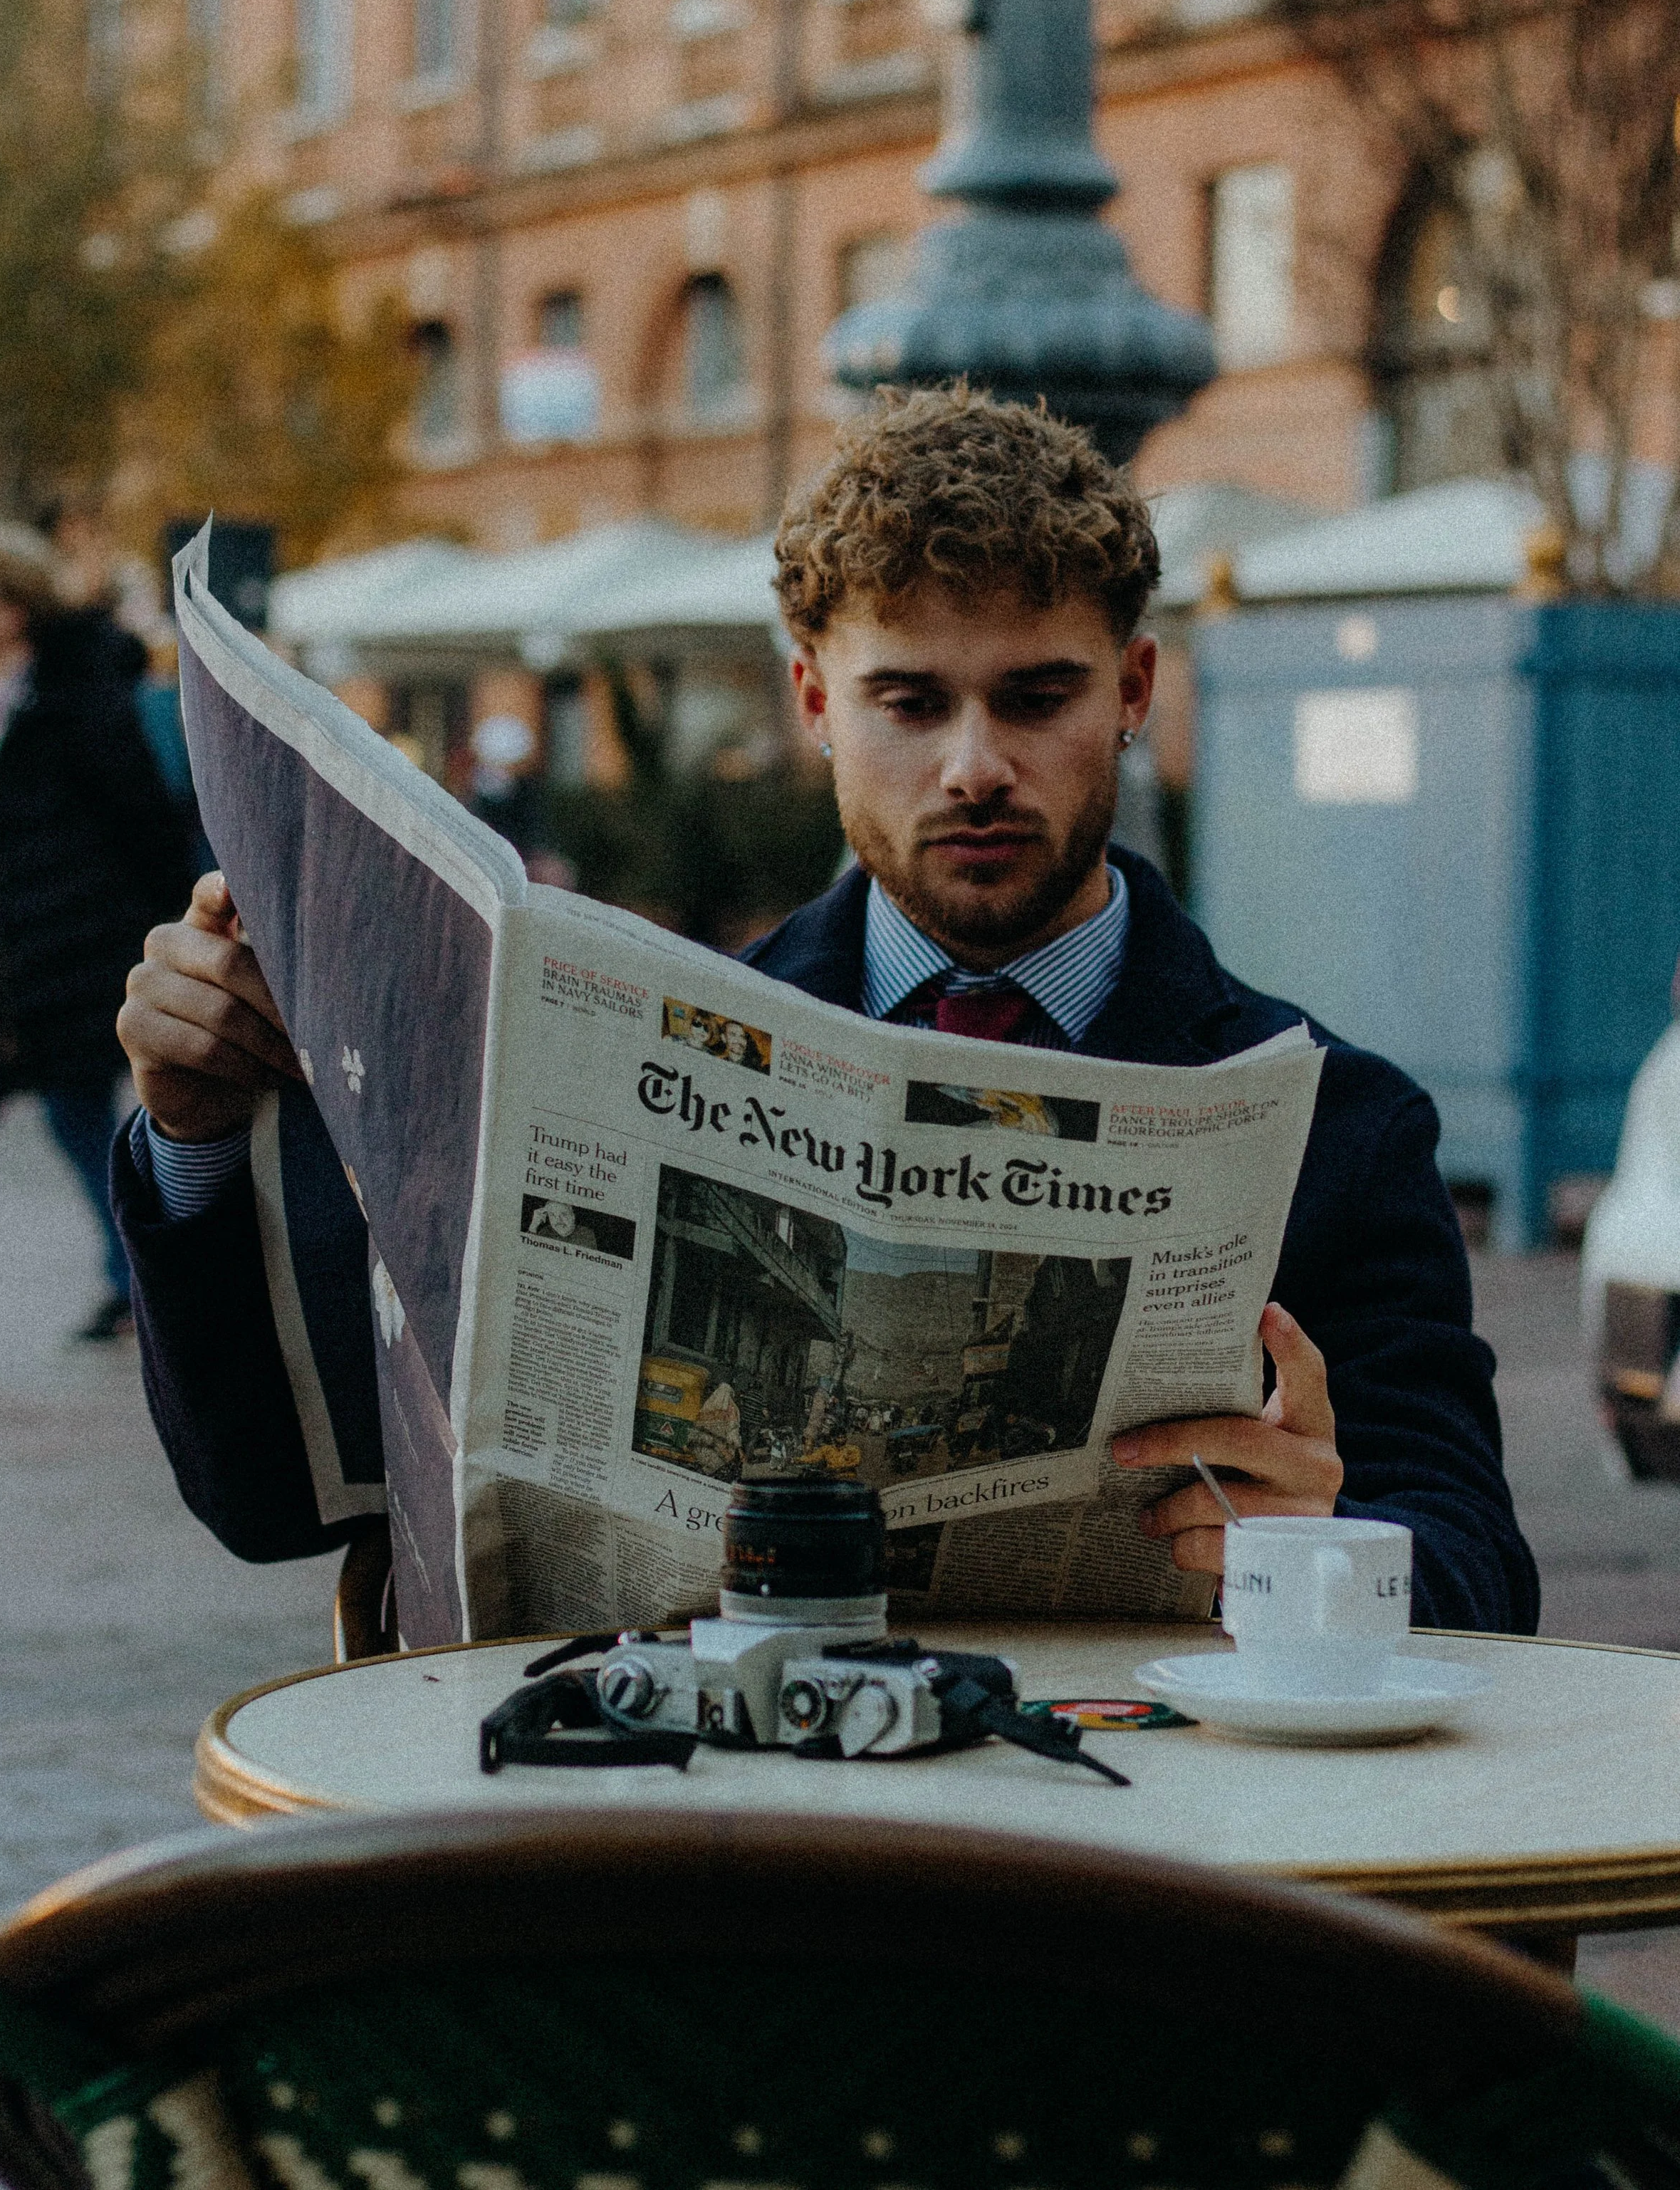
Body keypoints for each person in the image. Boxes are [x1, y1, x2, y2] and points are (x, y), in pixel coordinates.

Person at [113, 385, 1537, 1630]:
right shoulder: (613, 1061)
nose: (976, 765)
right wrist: (190, 1130)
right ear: (811, 699)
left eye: (1035, 696)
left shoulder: (1332, 1121)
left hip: (1138, 1883)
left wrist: (1331, 1544)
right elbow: (277, 1495)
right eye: (908, 703)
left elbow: (1479, 1569)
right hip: (750, 1862)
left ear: (1132, 691)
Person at [0, 526, 190, 1340]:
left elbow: (147, 828)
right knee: (41, 1125)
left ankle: (139, 1282)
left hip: (61, 959)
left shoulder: (75, 700)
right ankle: (141, 1281)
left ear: (16, 605)